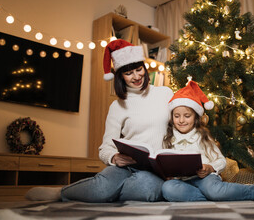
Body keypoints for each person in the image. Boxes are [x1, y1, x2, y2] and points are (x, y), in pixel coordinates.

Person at [25, 39, 173, 202]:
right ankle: (62, 193)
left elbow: (184, 125)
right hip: (126, 166)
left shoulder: (165, 93)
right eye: (129, 73)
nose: (137, 77)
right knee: (102, 187)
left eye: (139, 69)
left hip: (156, 171)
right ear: (120, 76)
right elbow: (105, 148)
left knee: (146, 188)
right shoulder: (117, 106)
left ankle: (110, 193)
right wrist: (115, 157)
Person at [161, 80, 254, 202]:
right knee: (168, 189)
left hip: (205, 179)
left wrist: (210, 167)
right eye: (177, 116)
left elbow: (221, 161)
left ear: (195, 117)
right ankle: (213, 196)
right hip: (182, 183)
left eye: (187, 116)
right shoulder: (168, 139)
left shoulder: (203, 138)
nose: (181, 120)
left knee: (213, 189)